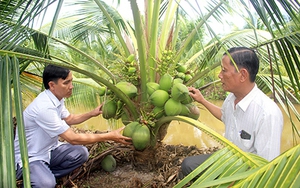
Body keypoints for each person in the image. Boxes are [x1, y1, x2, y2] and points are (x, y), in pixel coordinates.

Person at [14, 64, 132, 187]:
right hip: (30, 157)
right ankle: (38, 181)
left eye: (71, 81)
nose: (71, 86)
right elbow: (73, 139)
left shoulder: (57, 98)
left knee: (81, 153)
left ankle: (44, 176)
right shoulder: (44, 107)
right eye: (66, 83)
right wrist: (109, 136)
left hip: (49, 151)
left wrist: (92, 113)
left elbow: (69, 119)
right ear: (52, 85)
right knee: (47, 184)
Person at [180, 47, 283, 178]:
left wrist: (234, 182)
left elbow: (267, 167)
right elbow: (224, 115)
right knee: (188, 165)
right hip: (228, 159)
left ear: (243, 75)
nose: (219, 75)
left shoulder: (267, 114)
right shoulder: (231, 98)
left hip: (247, 172)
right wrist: (202, 100)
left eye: (224, 70)